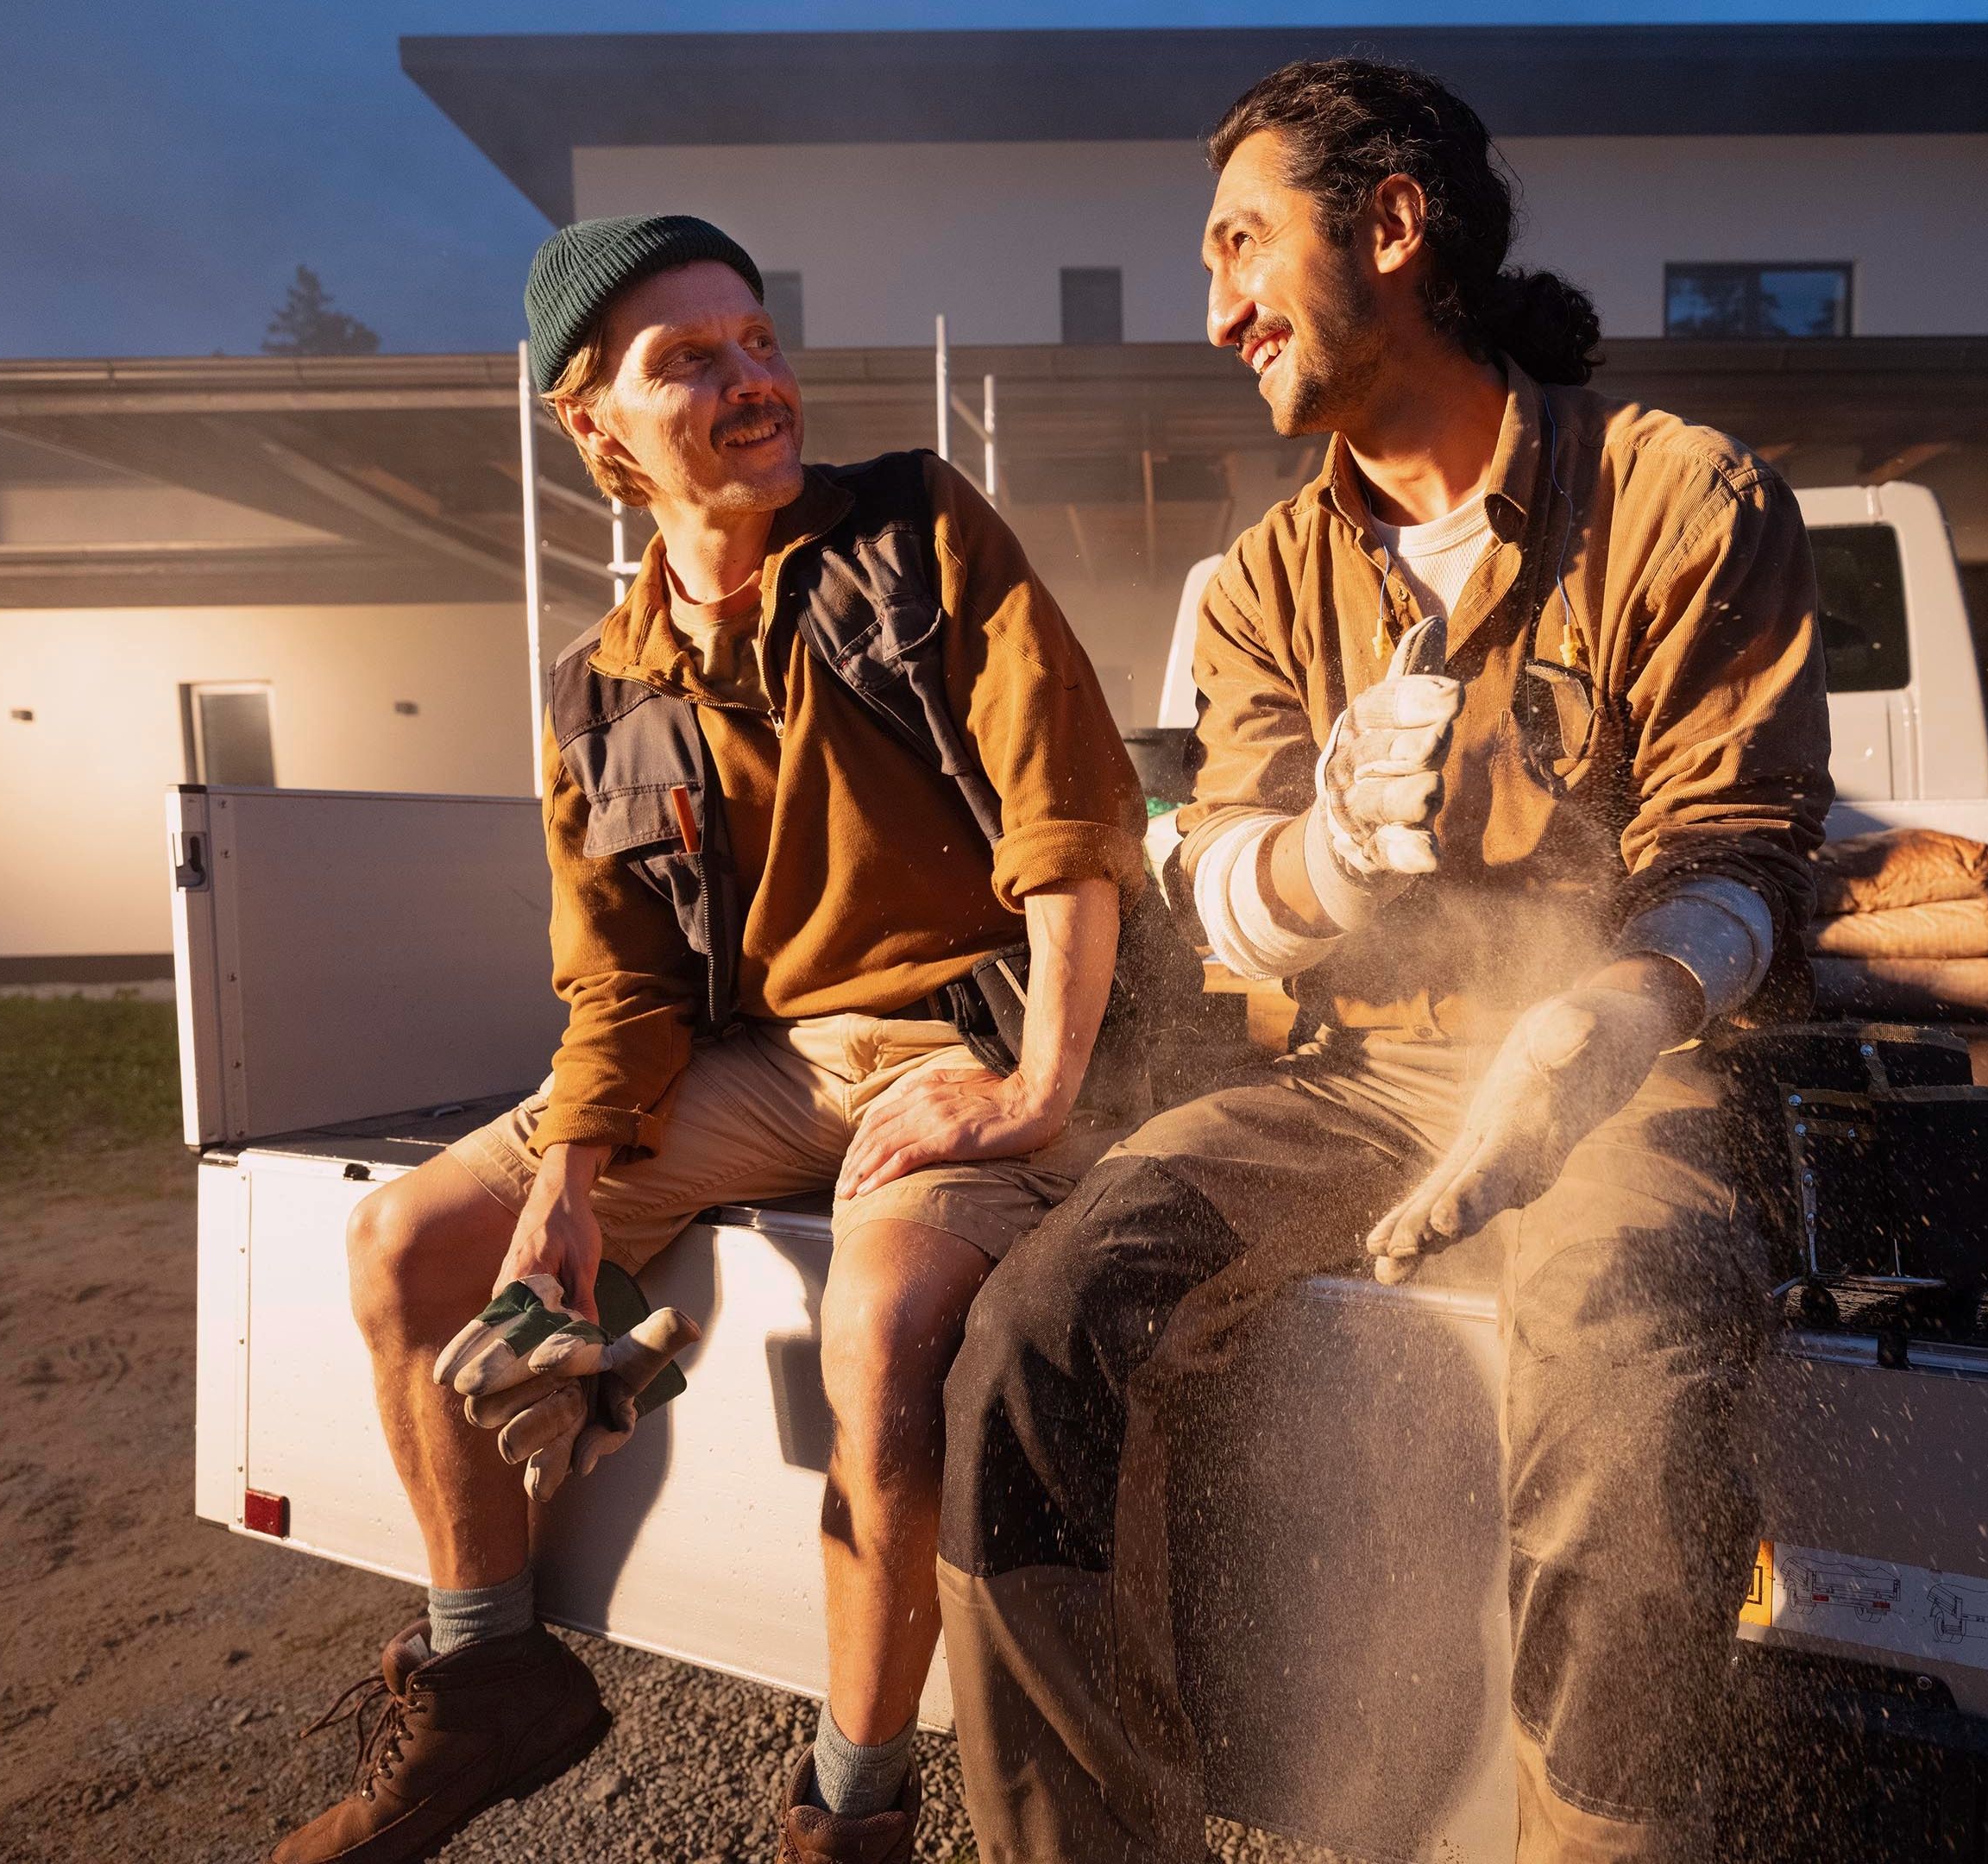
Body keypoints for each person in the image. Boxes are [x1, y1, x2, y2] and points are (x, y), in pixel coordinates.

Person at [936, 60, 1832, 1863]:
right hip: (1356, 1082)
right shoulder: (1268, 576)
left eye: (1244, 244)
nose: (1214, 314)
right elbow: (1231, 892)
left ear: (1397, 225)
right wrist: (1330, 856)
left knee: (1627, 1373)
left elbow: (1741, 859)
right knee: (1032, 1334)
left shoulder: (1677, 498)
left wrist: (1604, 1014)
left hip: (1621, 1076)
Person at [274, 214, 1145, 1864]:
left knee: (884, 1345)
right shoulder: (602, 683)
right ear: (594, 423)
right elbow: (620, 984)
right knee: (408, 1245)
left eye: (758, 341)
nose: (755, 385)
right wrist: (572, 1177)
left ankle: (852, 1813)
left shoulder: (912, 533)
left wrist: (1040, 1087)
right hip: (773, 1061)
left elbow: (1069, 809)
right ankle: (489, 1679)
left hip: (969, 1026)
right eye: (691, 363)